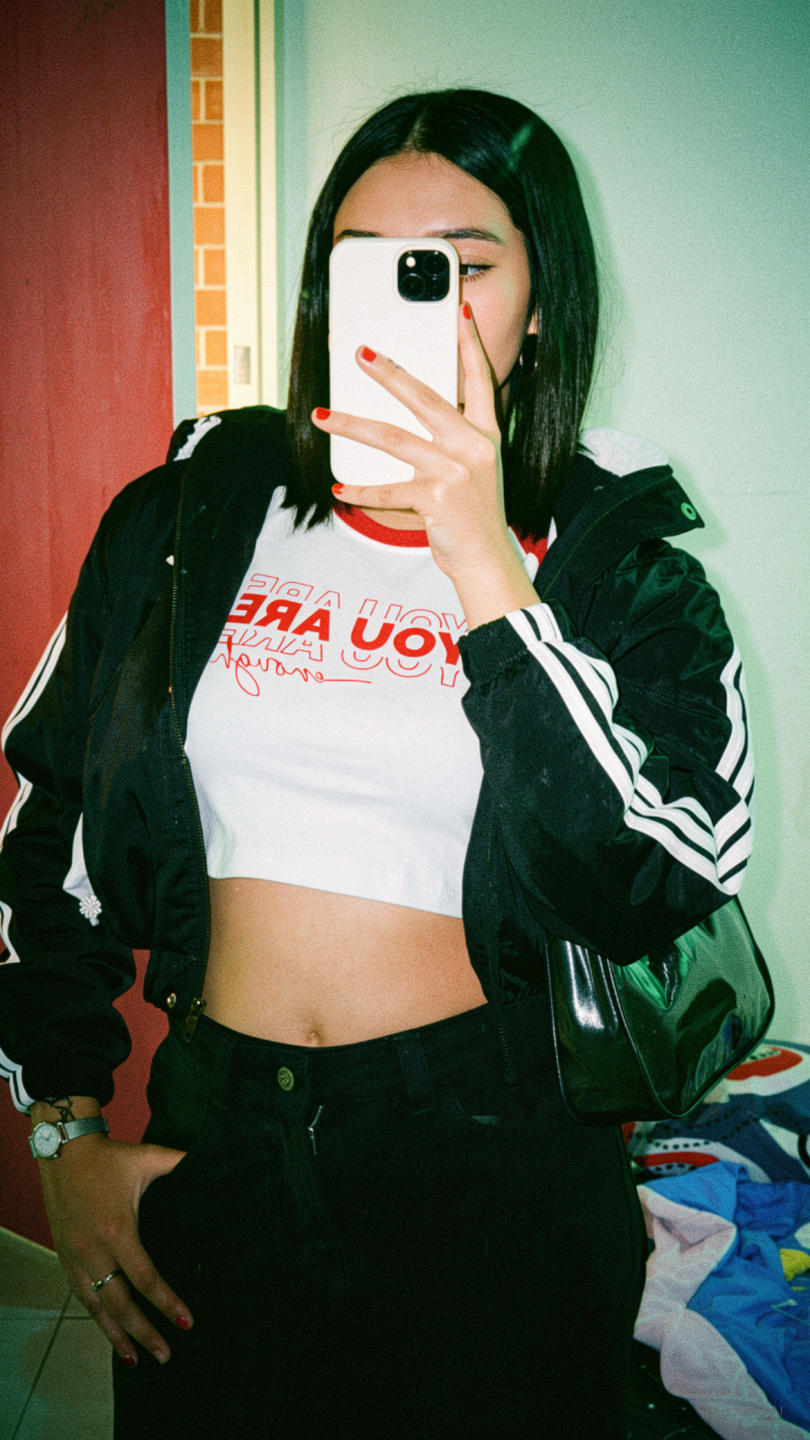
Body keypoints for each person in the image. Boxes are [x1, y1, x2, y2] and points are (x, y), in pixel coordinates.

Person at [0, 88, 753, 1439]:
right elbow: (48, 826)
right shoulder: (190, 515)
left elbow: (654, 879)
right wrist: (62, 1131)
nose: (423, 308)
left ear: (541, 305)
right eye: (374, 266)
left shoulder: (622, 573)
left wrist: (484, 563)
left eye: (464, 267)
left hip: (491, 1152)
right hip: (215, 1130)